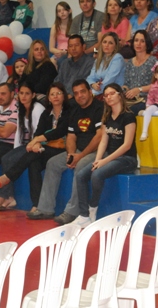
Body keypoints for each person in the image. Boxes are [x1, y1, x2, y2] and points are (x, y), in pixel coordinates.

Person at [27, 79, 104, 223]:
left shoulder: (100, 108)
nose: (80, 95)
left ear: (90, 92)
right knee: (53, 163)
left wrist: (80, 156)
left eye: (83, 92)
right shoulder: (75, 111)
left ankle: (71, 211)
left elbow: (99, 136)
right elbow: (71, 136)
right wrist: (71, 154)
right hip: (78, 150)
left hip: (98, 152)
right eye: (76, 93)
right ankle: (45, 208)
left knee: (80, 167)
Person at [0, 83, 68, 211]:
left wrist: (36, 141)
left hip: (62, 148)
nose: (55, 96)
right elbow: (37, 131)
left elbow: (60, 131)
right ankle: (36, 205)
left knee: (31, 155)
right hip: (45, 147)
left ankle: (8, 177)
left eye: (58, 93)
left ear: (64, 95)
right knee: (33, 164)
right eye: (52, 94)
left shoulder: (68, 112)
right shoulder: (47, 113)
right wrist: (36, 142)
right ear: (48, 97)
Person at [73, 83, 138, 227]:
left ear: (120, 95)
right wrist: (97, 160)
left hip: (127, 158)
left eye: (112, 93)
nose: (109, 97)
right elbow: (104, 141)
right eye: (106, 95)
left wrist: (104, 161)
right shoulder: (107, 116)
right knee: (81, 175)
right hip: (109, 156)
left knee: (97, 175)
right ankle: (83, 215)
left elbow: (127, 145)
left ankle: (92, 209)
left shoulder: (128, 117)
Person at [0, 82, 45, 210]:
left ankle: (4, 196)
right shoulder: (21, 109)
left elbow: (39, 132)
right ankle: (9, 197)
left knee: (11, 159)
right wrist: (16, 149)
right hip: (26, 144)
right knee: (6, 158)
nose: (23, 96)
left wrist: (31, 145)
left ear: (33, 95)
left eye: (27, 94)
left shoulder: (38, 108)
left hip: (38, 144)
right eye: (21, 93)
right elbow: (19, 132)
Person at [122, 30, 158, 113]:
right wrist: (123, 90)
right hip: (131, 99)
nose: (138, 44)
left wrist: (139, 89)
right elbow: (126, 84)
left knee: (127, 111)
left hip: (147, 99)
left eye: (142, 41)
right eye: (136, 40)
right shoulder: (129, 62)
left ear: (147, 44)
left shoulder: (153, 61)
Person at [49, 1, 72, 67]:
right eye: (59, 11)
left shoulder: (74, 24)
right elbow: (51, 48)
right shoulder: (55, 27)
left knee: (64, 61)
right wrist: (58, 52)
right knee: (51, 62)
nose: (62, 12)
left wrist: (65, 52)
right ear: (57, 14)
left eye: (64, 10)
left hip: (71, 52)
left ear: (69, 11)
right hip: (59, 52)